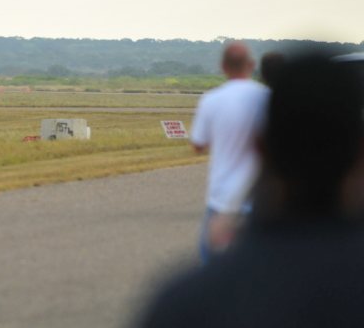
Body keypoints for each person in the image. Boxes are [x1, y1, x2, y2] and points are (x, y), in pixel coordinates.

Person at [137, 53, 364, 328]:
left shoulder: (183, 304)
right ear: (358, 149)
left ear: (259, 145)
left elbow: (198, 143)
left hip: (224, 202)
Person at [190, 42, 269, 262]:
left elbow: (198, 144)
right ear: (251, 65)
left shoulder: (211, 100)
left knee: (211, 260)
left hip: (222, 197)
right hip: (260, 196)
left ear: (223, 67)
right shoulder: (266, 97)